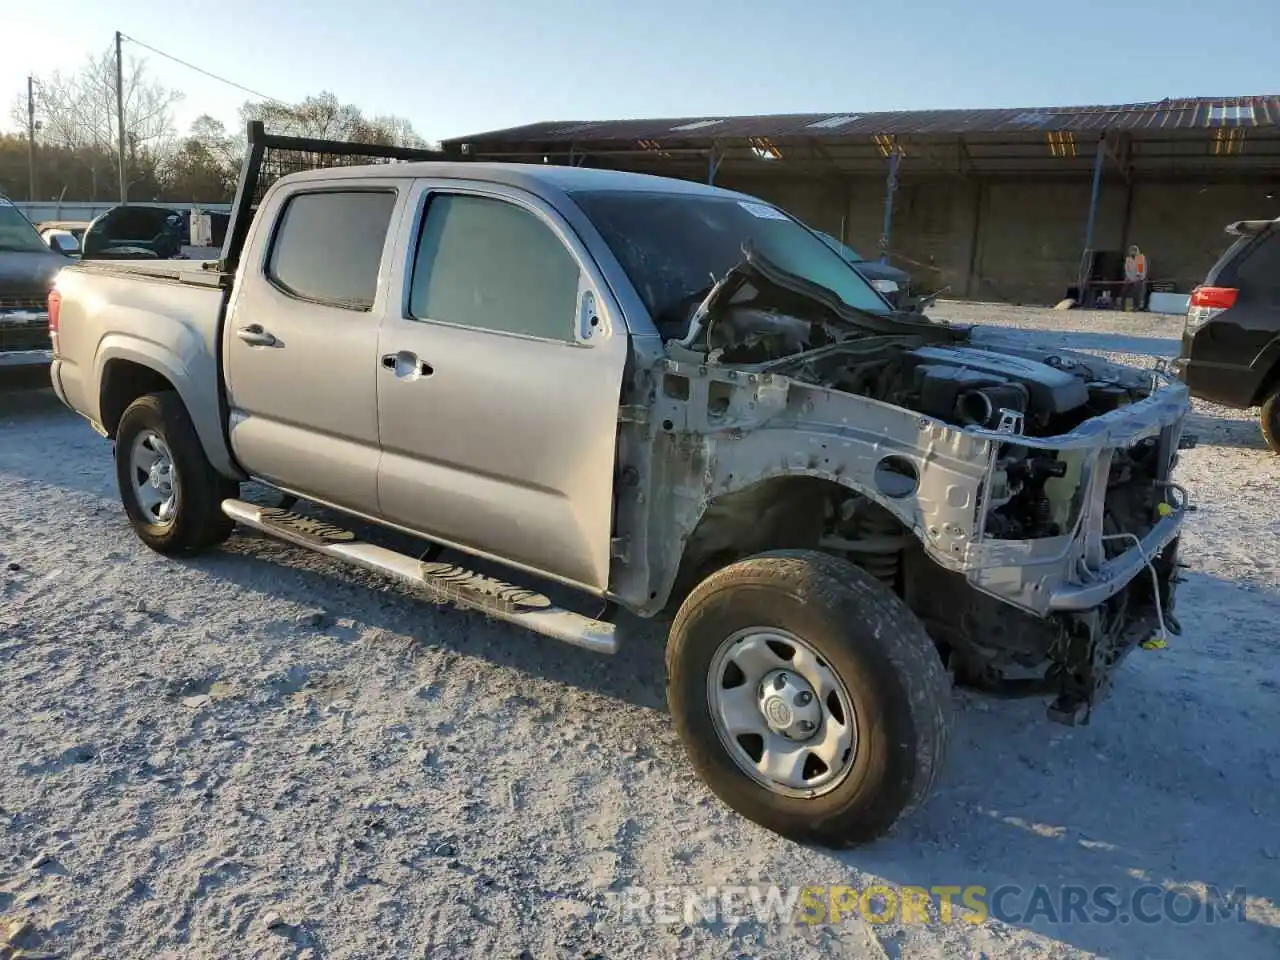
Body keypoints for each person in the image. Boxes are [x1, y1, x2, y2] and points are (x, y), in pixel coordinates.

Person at [1122, 244, 1148, 311]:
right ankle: (1123, 306)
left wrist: (1138, 277)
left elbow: (1140, 269)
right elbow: (1126, 269)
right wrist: (1129, 277)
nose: (1131, 252)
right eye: (1130, 251)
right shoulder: (1128, 259)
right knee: (1124, 292)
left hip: (1138, 279)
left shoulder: (1140, 257)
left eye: (1132, 251)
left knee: (1136, 293)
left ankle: (1136, 307)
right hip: (1129, 278)